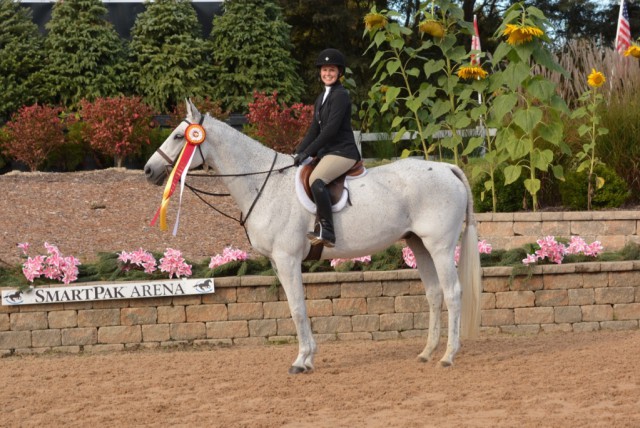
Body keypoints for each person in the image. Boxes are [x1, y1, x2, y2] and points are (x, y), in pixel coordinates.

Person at [293, 48, 361, 248]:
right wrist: (298, 151)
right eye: (324, 70)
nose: (327, 74)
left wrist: (308, 152)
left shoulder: (341, 95)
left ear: (339, 72)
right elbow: (314, 130)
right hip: (328, 152)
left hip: (343, 152)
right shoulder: (322, 97)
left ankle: (327, 231)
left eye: (331, 70)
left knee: (316, 179)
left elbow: (330, 131)